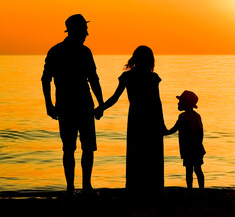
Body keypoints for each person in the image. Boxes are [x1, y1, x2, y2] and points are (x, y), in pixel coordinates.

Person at [41, 14, 104, 197]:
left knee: (79, 148)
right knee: (77, 148)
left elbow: (93, 79)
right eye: (84, 29)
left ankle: (80, 187)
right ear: (76, 30)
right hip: (74, 105)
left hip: (74, 104)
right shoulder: (75, 52)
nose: (87, 33)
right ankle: (79, 187)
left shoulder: (62, 51)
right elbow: (46, 79)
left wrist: (100, 103)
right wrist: (48, 104)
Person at [94, 45, 166, 193]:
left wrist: (100, 108)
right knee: (152, 155)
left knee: (136, 152)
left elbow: (114, 98)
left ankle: (135, 187)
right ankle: (154, 187)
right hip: (151, 118)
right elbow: (157, 102)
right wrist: (162, 124)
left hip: (136, 118)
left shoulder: (128, 76)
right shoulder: (152, 77)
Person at [165, 90, 206, 190]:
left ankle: (201, 189)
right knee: (188, 170)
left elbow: (200, 133)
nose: (178, 103)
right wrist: (163, 132)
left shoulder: (195, 116)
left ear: (187, 104)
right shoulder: (181, 116)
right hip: (186, 149)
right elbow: (174, 129)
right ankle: (190, 189)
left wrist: (197, 146)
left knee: (197, 169)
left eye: (181, 101)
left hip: (195, 148)